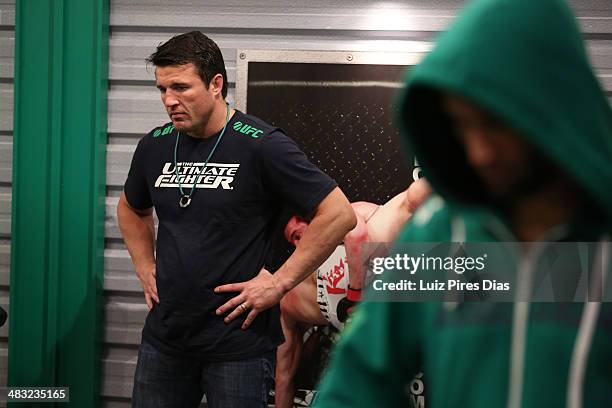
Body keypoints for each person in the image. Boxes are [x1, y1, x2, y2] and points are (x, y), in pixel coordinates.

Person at [314, 0, 612, 407]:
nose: (479, 153)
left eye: (494, 123)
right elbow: (358, 379)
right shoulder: (442, 232)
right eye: (462, 125)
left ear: (551, 107)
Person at [116, 31, 356, 408]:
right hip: (166, 340)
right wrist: (145, 265)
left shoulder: (261, 144)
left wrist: (279, 283)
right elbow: (131, 208)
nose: (169, 101)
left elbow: (338, 214)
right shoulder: (156, 145)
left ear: (216, 84)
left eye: (180, 87)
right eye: (162, 89)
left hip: (238, 346)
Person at [275, 180, 431, 407]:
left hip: (391, 268)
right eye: (294, 241)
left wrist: (355, 295)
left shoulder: (355, 214)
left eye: (299, 233)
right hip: (381, 315)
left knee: (414, 197)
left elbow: (356, 234)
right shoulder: (292, 297)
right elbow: (284, 376)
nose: (300, 243)